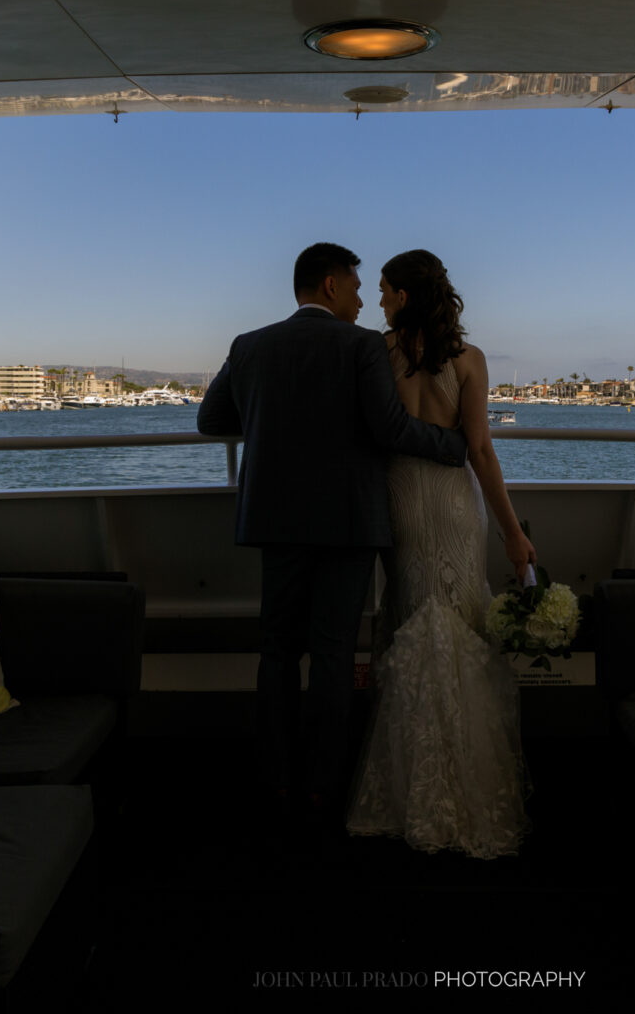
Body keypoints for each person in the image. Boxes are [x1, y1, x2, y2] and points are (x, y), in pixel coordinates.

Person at [196, 242, 466, 854]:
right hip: (348, 521)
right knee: (334, 655)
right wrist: (455, 449)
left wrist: (274, 419)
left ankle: (275, 784)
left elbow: (212, 421)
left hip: (276, 519)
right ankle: (324, 788)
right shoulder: (361, 345)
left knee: (276, 652)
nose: (364, 297)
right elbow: (388, 428)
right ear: (329, 285)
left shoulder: (249, 345)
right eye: (354, 285)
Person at [346, 248, 536, 859]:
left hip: (402, 500)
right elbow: (480, 452)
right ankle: (467, 787)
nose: (376, 299)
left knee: (412, 623)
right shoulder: (469, 359)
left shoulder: (379, 354)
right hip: (457, 506)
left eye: (383, 290)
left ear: (404, 295)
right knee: (456, 626)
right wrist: (511, 532)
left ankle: (411, 789)